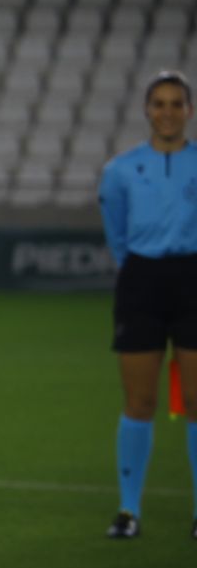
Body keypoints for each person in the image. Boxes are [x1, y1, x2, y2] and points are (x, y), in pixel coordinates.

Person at [98, 69, 197, 541]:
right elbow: (116, 232)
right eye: (159, 103)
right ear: (146, 110)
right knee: (140, 401)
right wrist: (139, 270)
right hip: (141, 282)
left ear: (189, 111)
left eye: (177, 103)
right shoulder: (121, 170)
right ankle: (128, 510)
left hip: (193, 280)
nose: (168, 112)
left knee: (194, 401)